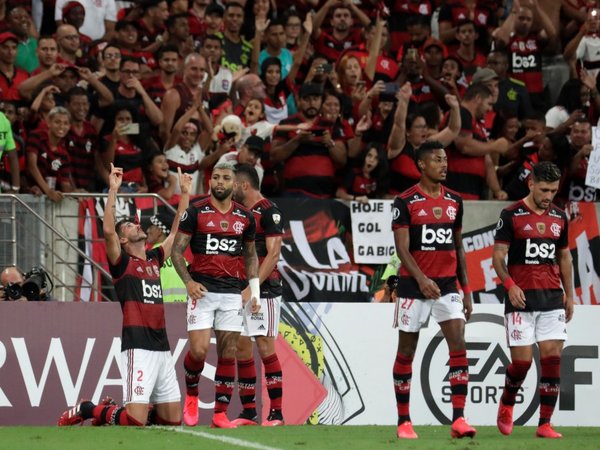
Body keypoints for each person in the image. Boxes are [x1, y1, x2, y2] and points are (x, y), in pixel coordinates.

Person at [58, 163, 192, 427]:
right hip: (138, 347)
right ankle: (88, 409)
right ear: (122, 240)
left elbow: (177, 233)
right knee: (134, 421)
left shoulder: (154, 258)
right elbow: (107, 231)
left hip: (162, 347)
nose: (135, 225)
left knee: (173, 421)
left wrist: (184, 193)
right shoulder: (122, 263)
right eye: (129, 226)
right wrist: (113, 189)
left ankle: (123, 409)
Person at [391, 140, 476, 440]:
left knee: (458, 343)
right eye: (438, 160)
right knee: (407, 350)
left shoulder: (455, 200)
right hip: (414, 286)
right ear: (422, 165)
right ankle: (404, 421)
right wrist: (422, 279)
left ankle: (459, 419)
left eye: (445, 159)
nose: (444, 164)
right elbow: (402, 249)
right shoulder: (405, 201)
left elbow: (458, 246)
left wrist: (467, 289)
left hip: (447, 285)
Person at [171, 162, 260, 429]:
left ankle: (220, 414)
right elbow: (176, 252)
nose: (220, 182)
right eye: (216, 177)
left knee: (227, 352)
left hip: (232, 293)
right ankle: (192, 395)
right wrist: (187, 282)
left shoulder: (246, 217)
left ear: (235, 184)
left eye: (225, 178)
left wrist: (254, 292)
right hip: (203, 291)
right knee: (198, 351)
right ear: (210, 181)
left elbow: (251, 256)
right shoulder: (195, 211)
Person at [492, 161, 573, 439]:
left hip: (551, 298)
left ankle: (545, 424)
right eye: (544, 189)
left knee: (552, 360)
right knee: (522, 364)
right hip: (521, 299)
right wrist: (509, 284)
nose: (549, 195)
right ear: (531, 184)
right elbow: (498, 257)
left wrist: (570, 294)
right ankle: (507, 402)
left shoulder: (560, 217)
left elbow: (564, 256)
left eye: (553, 190)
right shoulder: (511, 214)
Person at [231, 163, 285, 427]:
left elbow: (273, 254)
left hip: (263, 291)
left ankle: (276, 412)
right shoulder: (241, 214)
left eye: (232, 184)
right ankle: (249, 411)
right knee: (242, 347)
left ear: (244, 185)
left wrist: (251, 289)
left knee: (264, 346)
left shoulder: (269, 212)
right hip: (242, 289)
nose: (229, 189)